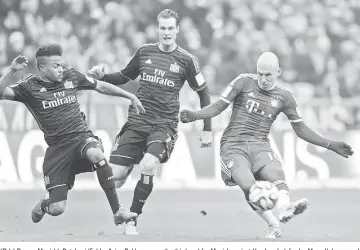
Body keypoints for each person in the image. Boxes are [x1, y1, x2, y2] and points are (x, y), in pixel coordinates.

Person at [180, 52, 354, 239]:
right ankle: (274, 223)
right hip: (233, 146)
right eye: (260, 73)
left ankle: (286, 207)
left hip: (260, 145)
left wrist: (331, 144)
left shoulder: (284, 96)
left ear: (278, 72)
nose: (263, 79)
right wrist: (195, 115)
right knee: (250, 187)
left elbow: (301, 129)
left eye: (268, 75)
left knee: (276, 174)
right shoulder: (243, 81)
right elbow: (219, 106)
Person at [88, 8, 212, 235]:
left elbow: (204, 93)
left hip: (164, 125)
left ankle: (132, 219)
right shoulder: (144, 52)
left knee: (148, 164)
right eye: (162, 28)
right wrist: (103, 76)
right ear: (158, 29)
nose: (166, 33)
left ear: (177, 30)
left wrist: (207, 129)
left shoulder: (187, 61)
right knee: (113, 179)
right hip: (136, 122)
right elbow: (124, 77)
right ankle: (125, 175)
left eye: (170, 29)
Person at [0, 44, 146, 226]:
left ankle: (117, 211)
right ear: (42, 68)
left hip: (81, 138)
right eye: (56, 66)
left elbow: (100, 86)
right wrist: (11, 70)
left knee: (96, 154)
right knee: (57, 209)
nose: (61, 69)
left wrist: (130, 96)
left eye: (61, 65)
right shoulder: (30, 86)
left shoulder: (71, 76)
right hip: (58, 151)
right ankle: (46, 203)